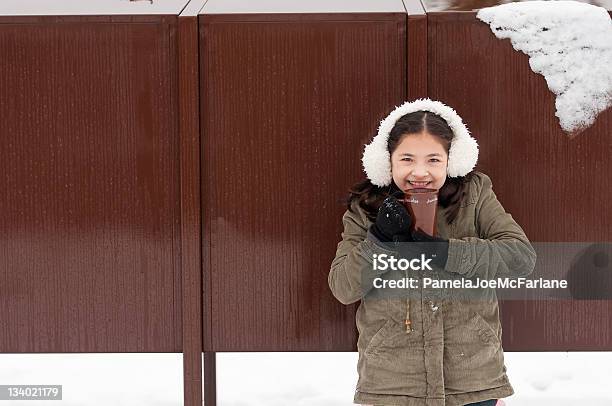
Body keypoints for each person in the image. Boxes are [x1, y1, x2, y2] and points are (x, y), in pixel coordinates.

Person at [328, 99, 536, 406]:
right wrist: (379, 240)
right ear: (388, 161)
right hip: (393, 383)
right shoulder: (367, 207)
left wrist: (446, 253)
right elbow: (344, 288)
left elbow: (520, 258)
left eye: (434, 160)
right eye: (408, 159)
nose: (421, 172)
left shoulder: (474, 195)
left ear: (452, 161)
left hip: (472, 378)